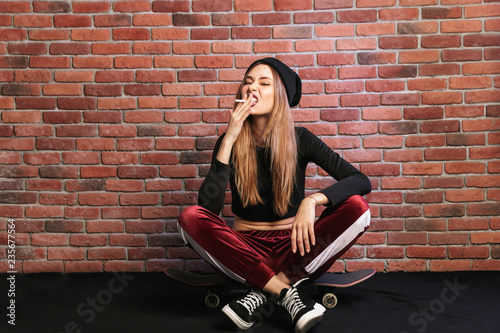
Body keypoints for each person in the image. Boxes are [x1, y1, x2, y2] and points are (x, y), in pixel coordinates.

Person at [177, 58, 372, 333]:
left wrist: (312, 201)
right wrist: (230, 137)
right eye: (248, 81)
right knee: (190, 217)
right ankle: (286, 293)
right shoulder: (228, 142)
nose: (251, 88)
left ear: (279, 95)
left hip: (296, 250)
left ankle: (260, 291)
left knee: (357, 207)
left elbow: (360, 180)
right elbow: (209, 209)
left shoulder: (301, 139)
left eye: (263, 83)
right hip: (243, 252)